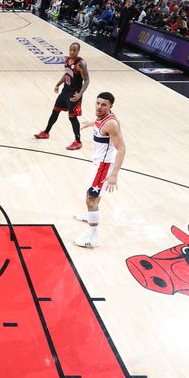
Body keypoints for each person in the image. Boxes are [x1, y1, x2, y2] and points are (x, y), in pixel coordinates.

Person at [73, 92, 126, 248]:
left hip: (104, 165)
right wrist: (92, 123)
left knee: (91, 198)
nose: (99, 107)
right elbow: (99, 121)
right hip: (99, 163)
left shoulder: (111, 124)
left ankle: (93, 237)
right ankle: (90, 214)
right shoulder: (101, 116)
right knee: (91, 193)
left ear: (110, 107)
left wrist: (114, 174)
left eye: (103, 105)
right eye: (97, 103)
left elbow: (121, 148)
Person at [34, 42, 90, 150]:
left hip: (74, 93)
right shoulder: (67, 60)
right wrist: (58, 84)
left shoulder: (81, 64)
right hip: (65, 91)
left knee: (72, 118)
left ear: (78, 51)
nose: (72, 52)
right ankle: (46, 132)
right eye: (71, 50)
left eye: (74, 50)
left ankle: (78, 141)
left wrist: (80, 94)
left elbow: (87, 80)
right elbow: (67, 73)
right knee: (55, 111)